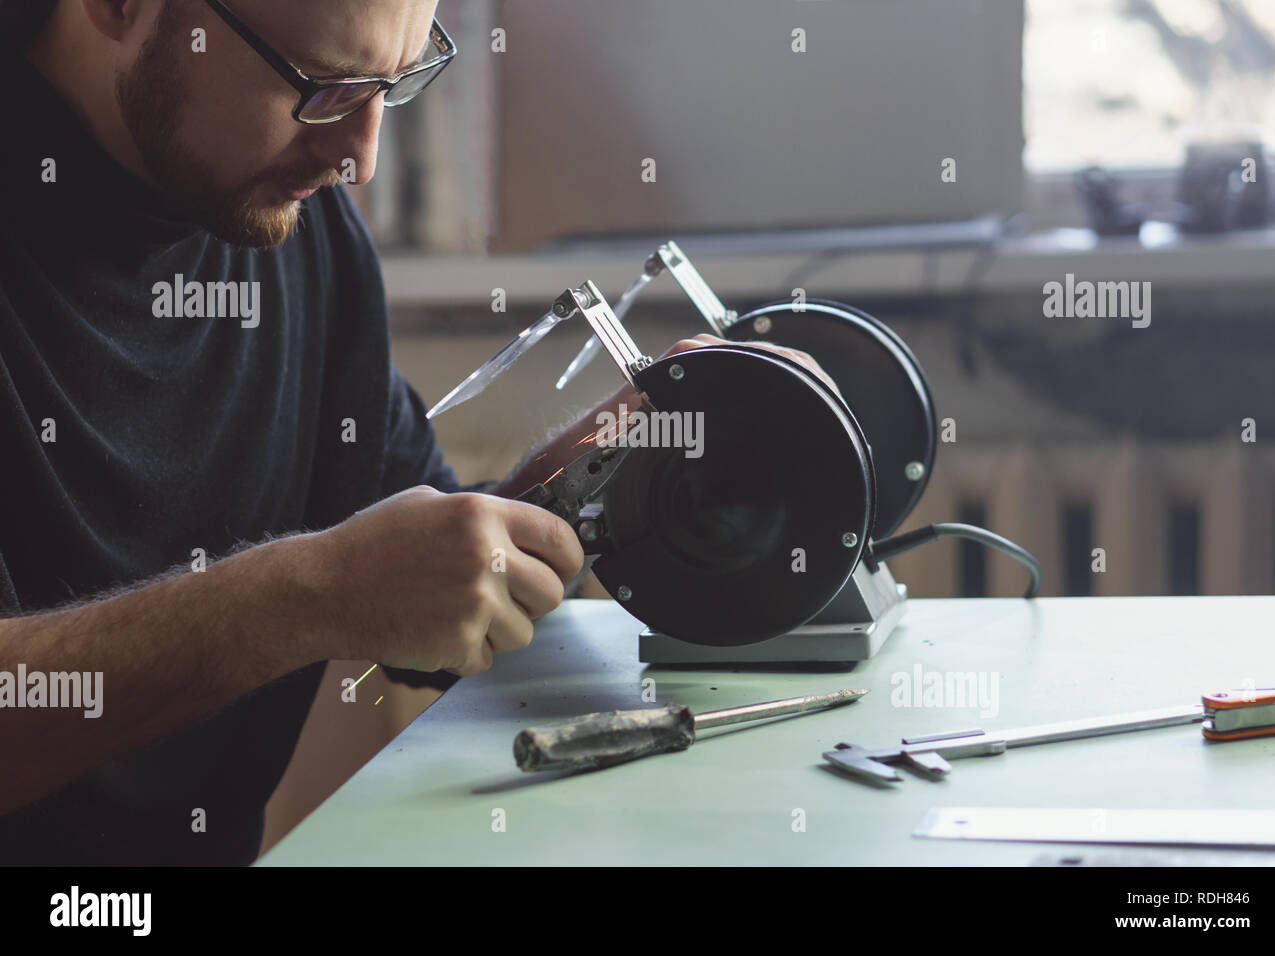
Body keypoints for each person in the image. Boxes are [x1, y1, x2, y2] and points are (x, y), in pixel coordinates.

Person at [0, 0, 839, 865]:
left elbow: (420, 594)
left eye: (393, 84)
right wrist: (309, 594)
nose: (359, 158)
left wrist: (626, 450)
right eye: (323, 89)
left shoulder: (298, 229)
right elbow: (341, 585)